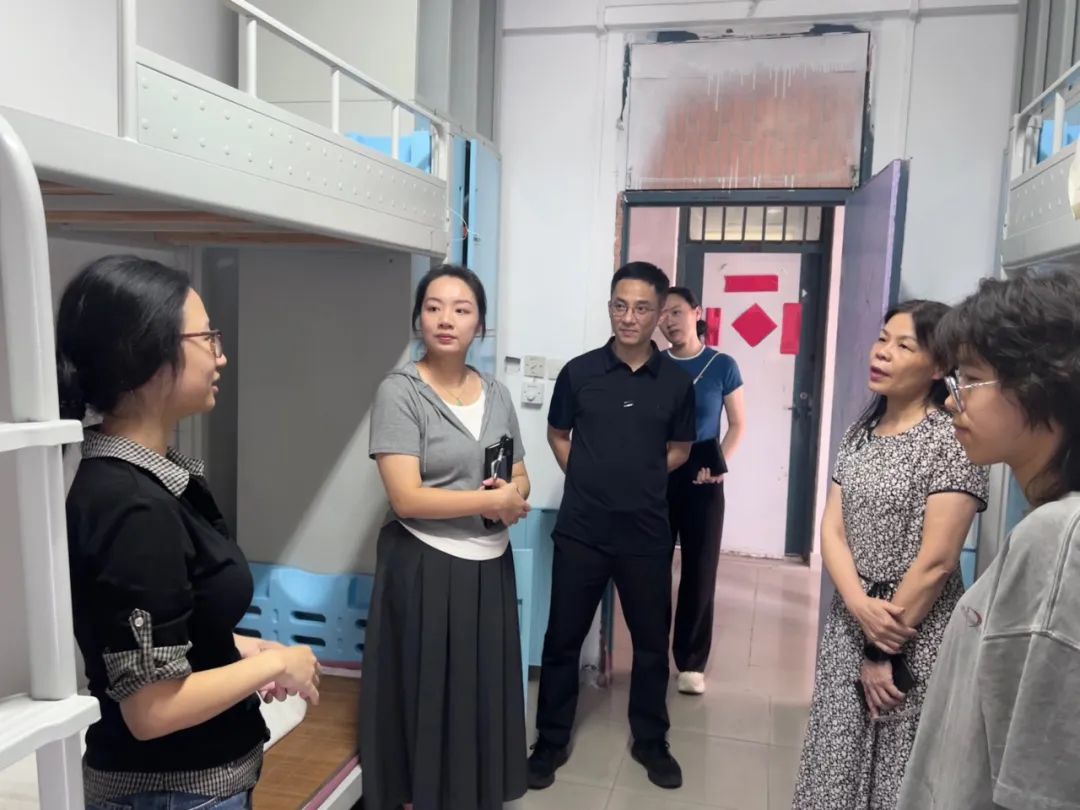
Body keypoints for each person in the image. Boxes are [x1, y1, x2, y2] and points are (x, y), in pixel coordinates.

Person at [60, 255, 320, 810]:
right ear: (151, 353)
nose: (221, 356)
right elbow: (152, 710)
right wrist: (278, 664)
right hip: (172, 791)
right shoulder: (131, 506)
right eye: (208, 338)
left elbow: (168, 629)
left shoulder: (149, 481)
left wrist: (244, 650)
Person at [792, 300, 989, 810]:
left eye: (903, 346)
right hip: (852, 621)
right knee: (835, 758)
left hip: (913, 631)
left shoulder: (951, 439)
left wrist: (882, 649)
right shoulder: (860, 433)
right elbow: (832, 530)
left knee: (901, 770)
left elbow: (937, 561)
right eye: (883, 339)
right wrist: (859, 607)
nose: (882, 353)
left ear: (938, 366)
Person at [899, 272, 1080, 810]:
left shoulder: (1060, 538)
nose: (951, 402)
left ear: (1042, 385)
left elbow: (1039, 788)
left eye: (971, 379)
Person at [362, 263, 531, 810]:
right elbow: (406, 498)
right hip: (425, 566)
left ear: (479, 323)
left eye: (461, 309)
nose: (445, 319)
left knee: (479, 690)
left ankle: (472, 792)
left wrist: (511, 496)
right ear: (419, 318)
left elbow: (520, 474)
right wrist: (491, 502)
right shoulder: (400, 392)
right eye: (433, 307)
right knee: (429, 691)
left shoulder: (496, 394)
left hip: (490, 565)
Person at [527, 261, 696, 792]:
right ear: (609, 308)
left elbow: (681, 448)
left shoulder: (676, 382)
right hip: (582, 529)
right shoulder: (579, 373)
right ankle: (550, 740)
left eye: (642, 308)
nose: (629, 317)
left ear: (659, 313)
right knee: (562, 639)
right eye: (620, 306)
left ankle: (650, 740)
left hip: (646, 533)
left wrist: (639, 478)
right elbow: (557, 434)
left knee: (651, 643)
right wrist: (586, 475)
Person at [660, 286, 746, 696]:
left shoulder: (722, 365)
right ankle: (651, 654)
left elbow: (738, 423)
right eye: (662, 314)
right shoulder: (654, 364)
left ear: (697, 313)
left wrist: (719, 464)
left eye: (676, 312)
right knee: (652, 567)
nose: (668, 321)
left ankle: (691, 662)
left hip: (703, 475)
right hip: (659, 470)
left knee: (699, 568)